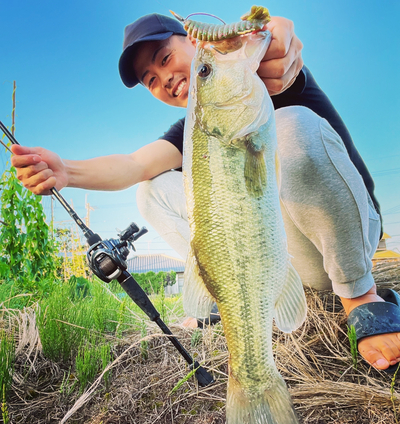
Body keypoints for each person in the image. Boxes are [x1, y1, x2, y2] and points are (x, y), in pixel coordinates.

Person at [11, 13, 400, 374]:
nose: (162, 78)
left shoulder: (251, 78)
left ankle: (359, 297)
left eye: (164, 58)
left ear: (195, 41)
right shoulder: (199, 127)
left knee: (292, 123)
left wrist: (276, 33)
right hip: (283, 259)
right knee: (152, 191)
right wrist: (66, 172)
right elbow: (133, 165)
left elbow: (276, 37)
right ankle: (228, 297)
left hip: (346, 237)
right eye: (149, 79)